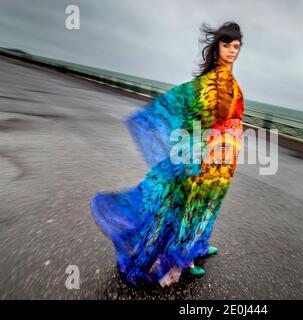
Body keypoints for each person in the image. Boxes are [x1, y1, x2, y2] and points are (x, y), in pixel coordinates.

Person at [90, 21, 244, 288]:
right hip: (206, 158)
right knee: (192, 206)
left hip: (224, 161)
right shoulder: (209, 83)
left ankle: (197, 247)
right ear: (217, 46)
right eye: (226, 44)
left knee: (209, 207)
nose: (232, 50)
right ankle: (183, 259)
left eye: (236, 46)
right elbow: (195, 120)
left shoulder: (231, 82)